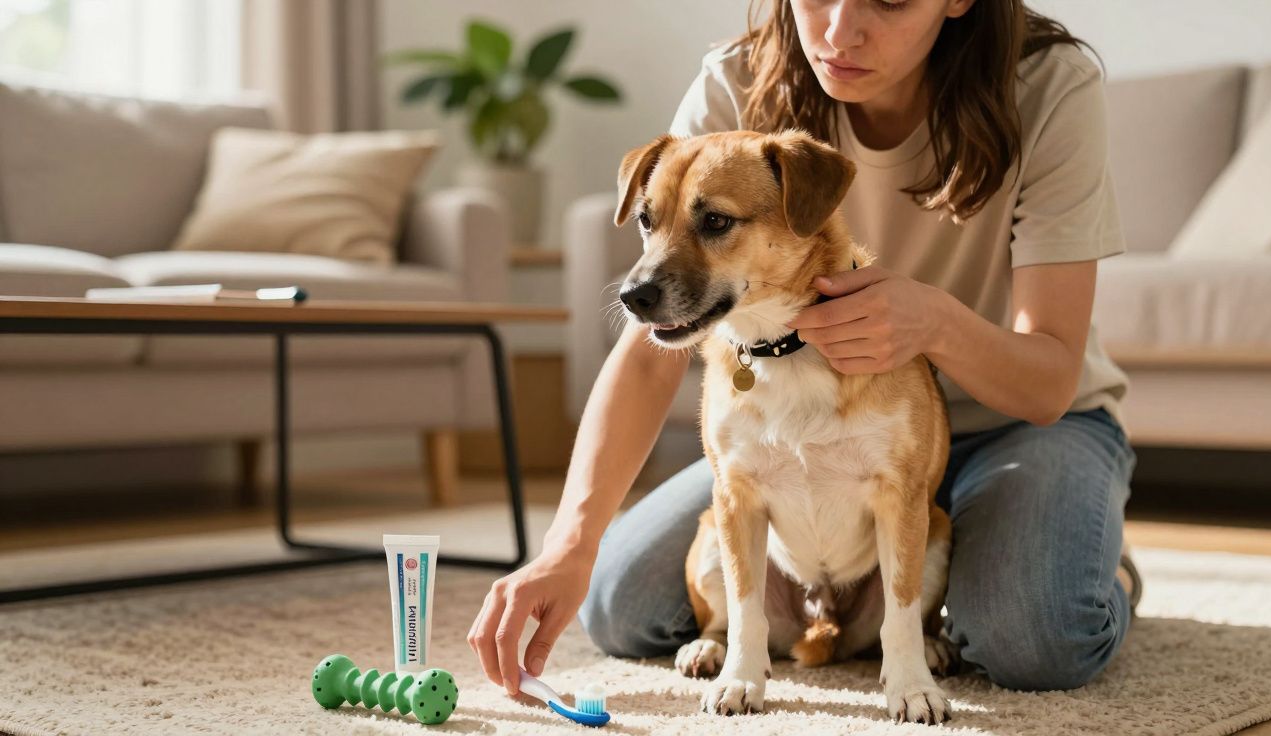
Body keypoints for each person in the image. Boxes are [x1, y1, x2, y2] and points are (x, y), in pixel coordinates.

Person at [469, 0, 1141, 696]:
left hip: (1020, 424)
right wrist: (568, 545)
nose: (840, 31)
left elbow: (1049, 381)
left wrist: (934, 322)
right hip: (799, 424)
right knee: (620, 604)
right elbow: (651, 347)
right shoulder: (738, 80)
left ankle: (1092, 563)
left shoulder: (1049, 85)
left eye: (889, 1)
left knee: (1037, 636)